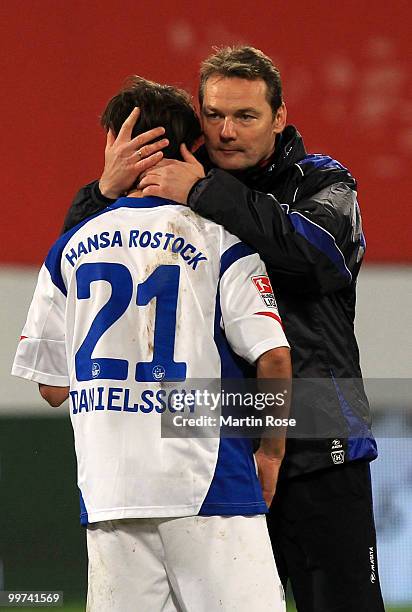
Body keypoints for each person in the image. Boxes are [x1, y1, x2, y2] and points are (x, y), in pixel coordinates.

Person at [64, 47, 386, 612]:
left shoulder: (323, 182)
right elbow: (83, 263)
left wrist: (204, 193)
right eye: (214, 116)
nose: (227, 131)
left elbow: (312, 256)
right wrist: (103, 192)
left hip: (316, 439)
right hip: (217, 455)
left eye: (246, 116)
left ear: (280, 117)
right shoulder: (183, 187)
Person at [12, 76, 292, 612]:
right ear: (191, 149)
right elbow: (275, 357)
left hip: (110, 495)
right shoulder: (222, 243)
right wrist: (271, 452)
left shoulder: (67, 249)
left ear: (118, 147)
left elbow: (52, 388)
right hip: (212, 489)